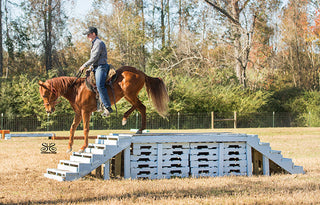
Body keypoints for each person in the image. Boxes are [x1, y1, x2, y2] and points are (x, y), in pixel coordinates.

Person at [79, 27, 113, 117]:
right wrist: (90, 67)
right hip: (95, 67)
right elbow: (94, 59)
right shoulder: (94, 43)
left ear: (94, 34)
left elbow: (94, 58)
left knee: (99, 85)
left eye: (88, 34)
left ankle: (107, 107)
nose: (87, 36)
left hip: (101, 67)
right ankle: (97, 104)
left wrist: (84, 65)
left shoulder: (98, 43)